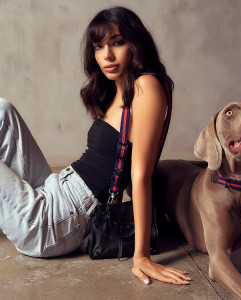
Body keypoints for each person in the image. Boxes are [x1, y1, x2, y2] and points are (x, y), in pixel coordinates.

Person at [0, 7, 191, 285]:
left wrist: (142, 257)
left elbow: (139, 176)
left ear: (135, 44)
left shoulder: (147, 86)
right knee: (3, 111)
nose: (107, 56)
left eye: (117, 42)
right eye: (99, 46)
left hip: (55, 223)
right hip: (54, 189)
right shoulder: (120, 90)